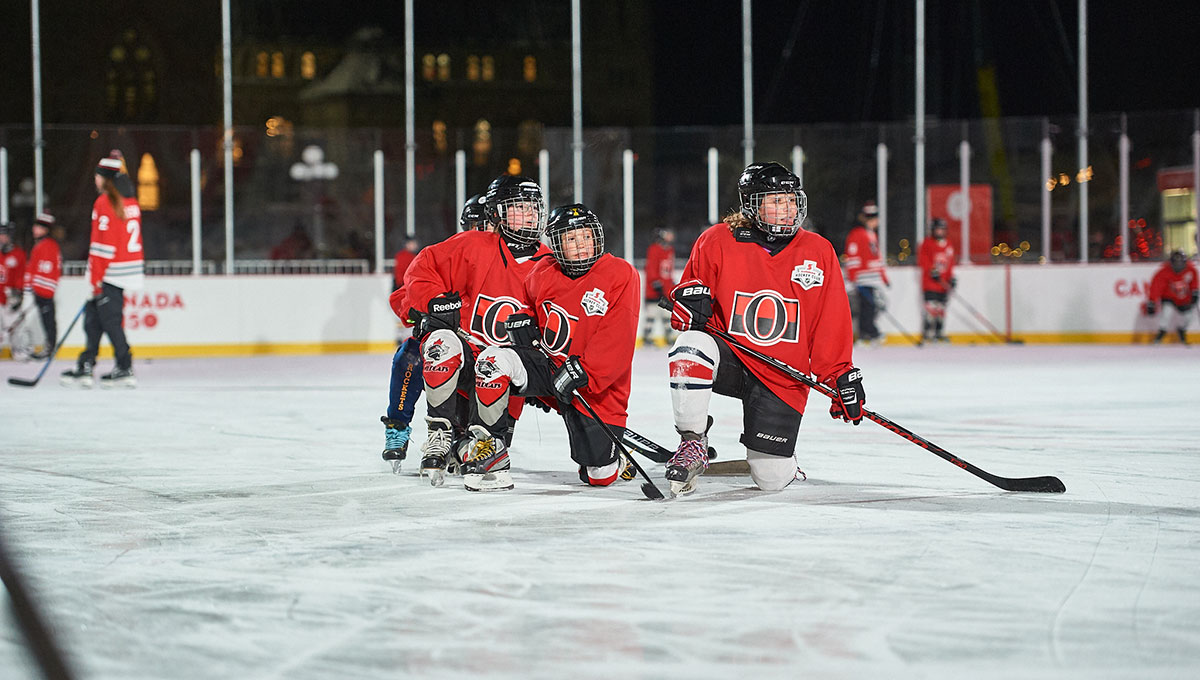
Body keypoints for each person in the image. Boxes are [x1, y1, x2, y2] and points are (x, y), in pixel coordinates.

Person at [665, 162, 862, 496]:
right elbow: (685, 317)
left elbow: (831, 322)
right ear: (751, 204)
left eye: (790, 200)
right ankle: (693, 441)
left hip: (782, 375)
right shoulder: (716, 241)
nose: (786, 210)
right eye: (775, 201)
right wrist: (689, 309)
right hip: (734, 360)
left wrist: (839, 375)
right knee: (691, 345)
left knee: (771, 480)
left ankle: (775, 458)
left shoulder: (818, 250)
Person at [467, 204, 640, 490]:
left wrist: (585, 372)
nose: (581, 245)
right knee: (492, 361)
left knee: (598, 476)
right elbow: (527, 313)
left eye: (586, 237)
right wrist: (521, 326)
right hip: (549, 367)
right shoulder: (541, 273)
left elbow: (618, 339)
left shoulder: (620, 274)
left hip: (592, 386)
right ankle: (492, 448)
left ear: (597, 237)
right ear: (557, 245)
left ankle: (617, 459)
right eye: (571, 240)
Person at [396, 174, 552, 487]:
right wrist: (434, 303)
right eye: (518, 207)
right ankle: (438, 432)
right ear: (498, 213)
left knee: (480, 452)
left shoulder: (549, 263)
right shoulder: (474, 246)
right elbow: (421, 269)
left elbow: (563, 328)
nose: (529, 215)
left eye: (533, 208)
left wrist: (545, 377)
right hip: (467, 371)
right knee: (438, 342)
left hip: (503, 377)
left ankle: (468, 444)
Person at [377, 194, 484, 473]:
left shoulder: (516, 259)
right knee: (410, 355)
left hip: (486, 351)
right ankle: (399, 425)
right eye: (475, 225)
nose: (480, 232)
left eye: (485, 225)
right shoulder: (449, 255)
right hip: (450, 345)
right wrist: (422, 309)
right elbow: (404, 293)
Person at [61, 153, 144, 388]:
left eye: (97, 176)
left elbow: (102, 247)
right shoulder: (130, 200)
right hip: (124, 271)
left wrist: (95, 281)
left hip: (109, 274)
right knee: (94, 321)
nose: (95, 180)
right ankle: (86, 365)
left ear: (105, 178)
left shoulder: (105, 202)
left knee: (110, 322)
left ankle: (125, 367)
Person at [843, 200, 889, 344]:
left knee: (871, 308)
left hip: (872, 279)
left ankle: (869, 332)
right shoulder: (857, 234)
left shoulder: (871, 234)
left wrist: (883, 277)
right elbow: (853, 257)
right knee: (866, 308)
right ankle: (866, 334)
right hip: (862, 280)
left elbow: (876, 258)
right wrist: (853, 277)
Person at [24, 213, 63, 359]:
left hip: (43, 291)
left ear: (45, 229)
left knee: (47, 320)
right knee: (45, 319)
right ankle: (48, 346)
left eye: (38, 226)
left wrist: (37, 289)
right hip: (40, 290)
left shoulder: (47, 246)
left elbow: (48, 269)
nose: (35, 229)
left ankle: (50, 347)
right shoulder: (42, 245)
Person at [1146, 249, 1198, 344]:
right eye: (1176, 263)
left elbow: (1194, 283)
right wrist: (1152, 301)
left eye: (1180, 262)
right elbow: (1156, 287)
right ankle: (1161, 332)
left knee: (1189, 316)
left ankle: (1181, 329)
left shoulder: (1191, 270)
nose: (1178, 265)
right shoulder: (1163, 272)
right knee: (1166, 313)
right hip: (1169, 298)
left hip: (1184, 299)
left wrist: (1195, 292)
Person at [917, 217, 957, 343]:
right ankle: (928, 333)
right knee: (930, 308)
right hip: (930, 284)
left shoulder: (948, 244)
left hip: (943, 284)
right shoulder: (927, 243)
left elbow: (950, 263)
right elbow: (923, 260)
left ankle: (939, 332)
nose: (940, 232)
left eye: (942, 229)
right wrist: (931, 270)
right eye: (937, 229)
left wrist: (951, 279)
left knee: (941, 309)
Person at [641, 227, 676, 347]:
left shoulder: (669, 250)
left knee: (666, 314)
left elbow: (668, 270)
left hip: (665, 288)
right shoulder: (654, 249)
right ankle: (647, 336)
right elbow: (651, 268)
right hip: (654, 289)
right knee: (652, 313)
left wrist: (670, 284)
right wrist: (656, 283)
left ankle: (669, 336)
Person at [0, 221, 28, 358]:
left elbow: (22, 275)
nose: (2, 238)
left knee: (16, 327)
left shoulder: (18, 254)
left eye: (4, 235)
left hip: (11, 297)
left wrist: (18, 293)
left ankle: (19, 351)